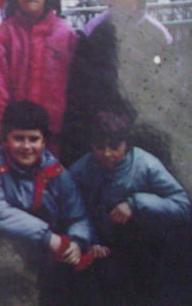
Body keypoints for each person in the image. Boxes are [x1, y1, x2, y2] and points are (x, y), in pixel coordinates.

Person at [0, 101, 95, 306]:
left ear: (44, 141)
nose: (27, 147)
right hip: (5, 250)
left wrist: (76, 242)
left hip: (48, 253)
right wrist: (47, 237)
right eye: (19, 138)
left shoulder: (54, 169)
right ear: (6, 139)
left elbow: (78, 216)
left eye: (34, 139)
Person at [69, 110, 191, 305]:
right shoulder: (81, 170)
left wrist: (136, 203)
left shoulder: (146, 165)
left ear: (127, 145)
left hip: (142, 244)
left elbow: (182, 205)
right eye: (100, 147)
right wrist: (89, 240)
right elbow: (71, 210)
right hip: (101, 245)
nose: (107, 153)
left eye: (114, 147)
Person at [62, 0, 176, 166]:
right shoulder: (92, 32)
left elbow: (166, 92)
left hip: (144, 131)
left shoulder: (158, 35)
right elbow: (80, 89)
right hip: (103, 133)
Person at [0, 0, 76, 155]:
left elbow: (76, 91)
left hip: (56, 140)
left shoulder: (65, 34)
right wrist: (3, 136)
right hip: (17, 141)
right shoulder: (5, 34)